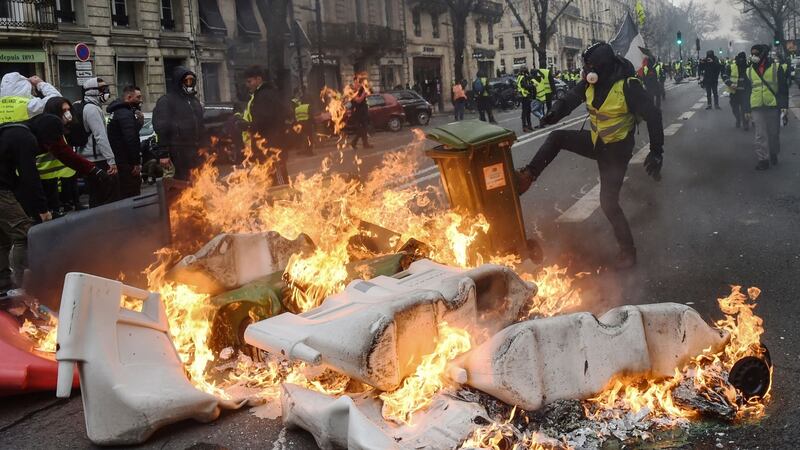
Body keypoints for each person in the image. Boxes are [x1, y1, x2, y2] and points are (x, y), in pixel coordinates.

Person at [515, 42, 664, 270]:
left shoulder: (629, 87)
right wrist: (553, 113)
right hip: (597, 143)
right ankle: (527, 176)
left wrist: (656, 151)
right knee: (556, 137)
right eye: (586, 67)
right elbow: (570, 99)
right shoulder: (590, 82)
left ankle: (628, 253)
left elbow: (653, 115)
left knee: (608, 202)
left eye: (591, 67)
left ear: (604, 67)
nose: (587, 72)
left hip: (617, 152)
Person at [0, 114, 64, 295]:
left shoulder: (11, 130)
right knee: (23, 234)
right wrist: (42, 209)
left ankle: (3, 283)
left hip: (3, 187)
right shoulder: (26, 138)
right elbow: (30, 176)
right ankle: (23, 285)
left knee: (2, 237)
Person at [153, 66, 205, 181]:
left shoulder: (194, 101)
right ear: (178, 82)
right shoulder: (166, 101)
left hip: (195, 149)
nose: (189, 84)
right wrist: (163, 154)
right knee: (181, 183)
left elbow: (201, 125)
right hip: (177, 151)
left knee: (198, 181)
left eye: (191, 81)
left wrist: (205, 145)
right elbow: (161, 128)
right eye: (186, 81)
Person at [75, 77, 118, 206]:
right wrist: (111, 160)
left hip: (87, 158)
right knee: (103, 194)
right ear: (92, 91)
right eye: (102, 89)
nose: (106, 92)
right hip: (96, 159)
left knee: (96, 193)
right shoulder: (92, 109)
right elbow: (100, 136)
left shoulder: (84, 106)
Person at [745, 44, 789, 170]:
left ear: (763, 54)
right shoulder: (749, 70)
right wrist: (747, 109)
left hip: (772, 105)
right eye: (752, 53)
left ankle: (773, 152)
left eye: (756, 53)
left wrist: (784, 106)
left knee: (773, 133)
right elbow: (747, 91)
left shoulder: (776, 67)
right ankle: (763, 159)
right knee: (760, 134)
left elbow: (783, 88)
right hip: (756, 106)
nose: (754, 56)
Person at [107, 86, 144, 199]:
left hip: (120, 159)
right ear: (129, 97)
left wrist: (138, 123)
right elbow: (131, 139)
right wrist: (135, 163)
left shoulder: (118, 112)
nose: (141, 100)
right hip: (126, 162)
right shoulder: (124, 113)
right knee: (131, 192)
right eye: (138, 97)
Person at [722, 52, 751, 130]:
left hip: (745, 92)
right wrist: (730, 83)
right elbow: (725, 76)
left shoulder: (749, 67)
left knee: (745, 108)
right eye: (740, 59)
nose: (741, 60)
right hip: (734, 92)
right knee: (735, 108)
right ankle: (738, 119)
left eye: (743, 59)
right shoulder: (731, 67)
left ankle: (745, 123)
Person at [349, 72, 373, 150]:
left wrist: (367, 91)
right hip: (357, 114)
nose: (358, 84)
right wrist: (364, 93)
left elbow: (369, 94)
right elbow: (358, 100)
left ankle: (364, 144)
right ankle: (355, 143)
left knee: (364, 129)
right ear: (354, 82)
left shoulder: (362, 89)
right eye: (357, 82)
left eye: (360, 82)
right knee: (361, 130)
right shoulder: (351, 91)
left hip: (363, 112)